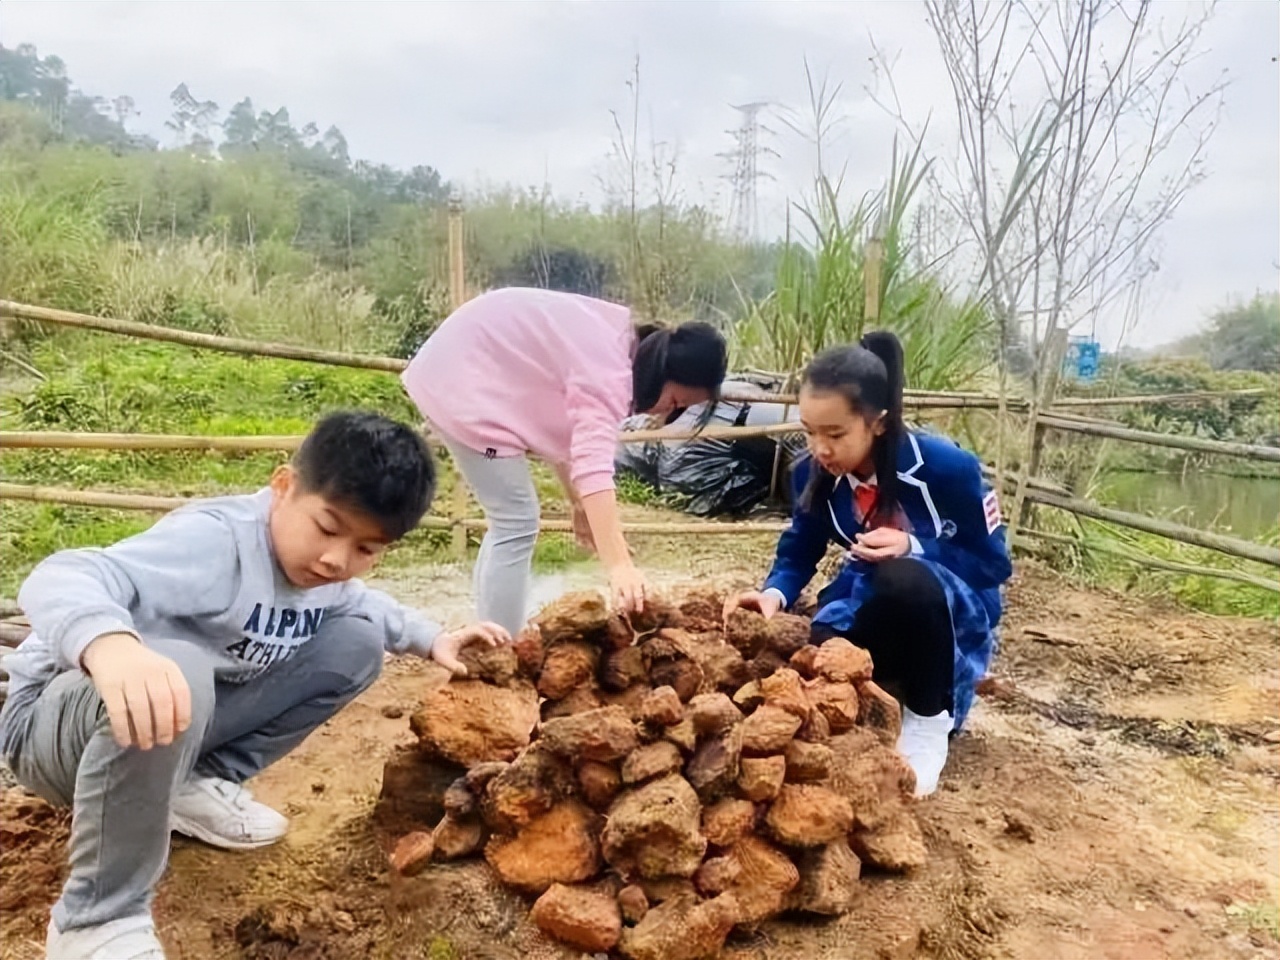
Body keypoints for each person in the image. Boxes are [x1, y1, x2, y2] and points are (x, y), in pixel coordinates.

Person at [0, 411, 508, 960]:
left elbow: (359, 604)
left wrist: (433, 639)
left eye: (366, 549)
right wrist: (112, 647)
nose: (337, 559)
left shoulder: (324, 574)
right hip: (51, 729)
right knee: (181, 671)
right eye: (328, 528)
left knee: (357, 642)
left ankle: (194, 784)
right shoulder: (215, 542)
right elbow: (61, 574)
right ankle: (96, 920)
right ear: (283, 487)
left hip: (166, 726)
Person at [723, 332, 1012, 797]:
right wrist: (773, 594)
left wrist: (915, 547)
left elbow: (992, 566)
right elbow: (799, 549)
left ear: (877, 423)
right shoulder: (810, 475)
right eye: (809, 431)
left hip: (949, 609)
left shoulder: (948, 469)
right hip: (872, 592)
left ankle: (928, 717)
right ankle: (888, 690)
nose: (820, 448)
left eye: (835, 434)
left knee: (903, 577)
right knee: (818, 650)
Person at [401, 286, 728, 635]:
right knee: (515, 520)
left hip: (458, 368)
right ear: (665, 370)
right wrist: (619, 565)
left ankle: (492, 632)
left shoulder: (616, 343)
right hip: (460, 380)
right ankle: (502, 645)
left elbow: (572, 438)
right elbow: (594, 465)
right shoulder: (609, 373)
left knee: (509, 521)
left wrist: (578, 503)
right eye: (675, 401)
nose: (666, 411)